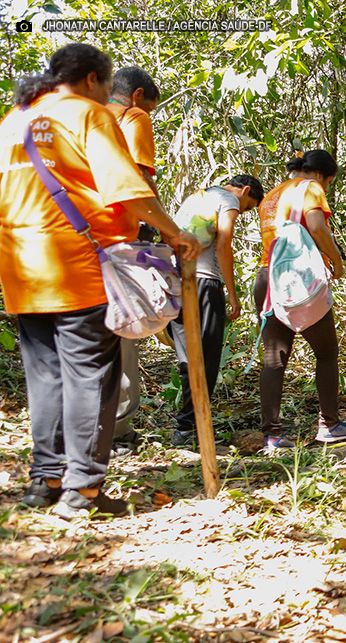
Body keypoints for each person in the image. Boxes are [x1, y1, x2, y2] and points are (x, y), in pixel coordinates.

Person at [0, 43, 198, 517]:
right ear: (92, 79)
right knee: (93, 376)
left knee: (45, 380)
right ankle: (82, 490)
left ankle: (44, 482)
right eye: (108, 84)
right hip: (80, 266)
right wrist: (176, 234)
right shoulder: (88, 114)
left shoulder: (13, 121)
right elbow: (127, 189)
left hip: (23, 271)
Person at [254, 150, 346, 449]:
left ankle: (272, 434)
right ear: (325, 176)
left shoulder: (273, 194)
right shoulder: (310, 187)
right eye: (329, 184)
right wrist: (336, 260)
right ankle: (330, 424)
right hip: (299, 280)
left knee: (275, 358)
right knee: (326, 353)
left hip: (268, 279)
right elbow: (316, 226)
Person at [169, 175, 264, 447]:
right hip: (204, 282)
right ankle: (193, 425)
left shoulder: (196, 196)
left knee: (188, 355)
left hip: (178, 281)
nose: (242, 211)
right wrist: (232, 295)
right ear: (245, 191)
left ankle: (186, 427)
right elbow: (224, 243)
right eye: (248, 207)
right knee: (208, 357)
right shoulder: (228, 198)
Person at [105, 66, 161, 449]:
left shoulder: (79, 116)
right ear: (137, 96)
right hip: (117, 238)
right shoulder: (132, 116)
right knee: (122, 331)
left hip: (72, 239)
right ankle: (118, 431)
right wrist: (164, 230)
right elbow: (141, 180)